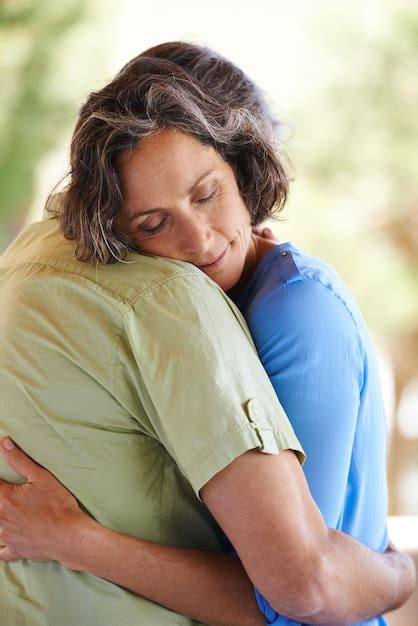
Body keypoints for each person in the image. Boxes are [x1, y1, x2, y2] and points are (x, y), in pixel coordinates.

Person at [0, 43, 415, 626]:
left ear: (242, 167)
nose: (197, 241)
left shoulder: (298, 310)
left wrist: (73, 540)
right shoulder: (211, 312)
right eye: (153, 224)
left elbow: (291, 599)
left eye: (205, 194)